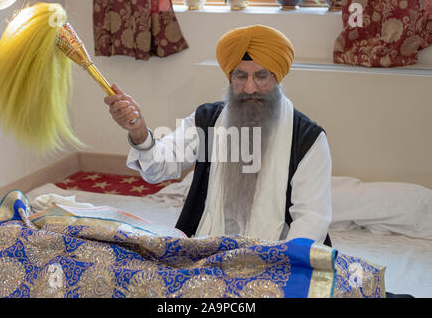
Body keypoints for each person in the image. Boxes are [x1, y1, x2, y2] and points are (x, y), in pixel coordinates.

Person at [104, 25, 333, 246]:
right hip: (206, 250)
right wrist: (139, 130)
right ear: (230, 78)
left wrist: (278, 268)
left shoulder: (308, 140)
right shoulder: (208, 120)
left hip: (275, 259)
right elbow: (159, 167)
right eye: (241, 76)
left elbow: (311, 220)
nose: (250, 88)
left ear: (277, 77)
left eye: (261, 76)